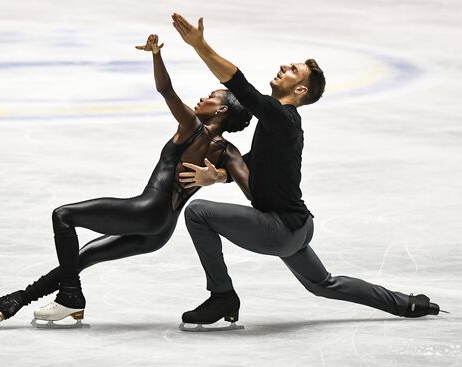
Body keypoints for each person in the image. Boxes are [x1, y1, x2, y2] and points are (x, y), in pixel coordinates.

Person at [170, 13, 444, 329]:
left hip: (280, 229)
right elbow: (252, 164)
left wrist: (200, 45)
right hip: (297, 228)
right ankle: (406, 304)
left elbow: (238, 85)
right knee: (323, 283)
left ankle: (222, 296)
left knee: (199, 213)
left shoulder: (281, 116)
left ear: (300, 90)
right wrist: (220, 176)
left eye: (293, 70)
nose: (284, 67)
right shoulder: (280, 124)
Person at [0, 34, 253, 326]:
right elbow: (253, 188)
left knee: (63, 216)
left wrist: (156, 54)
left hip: (147, 210)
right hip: (162, 229)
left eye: (210, 97)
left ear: (220, 110)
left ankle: (70, 297)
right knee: (83, 257)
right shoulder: (229, 152)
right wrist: (222, 176)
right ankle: (15, 301)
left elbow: (166, 90)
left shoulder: (193, 127)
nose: (202, 99)